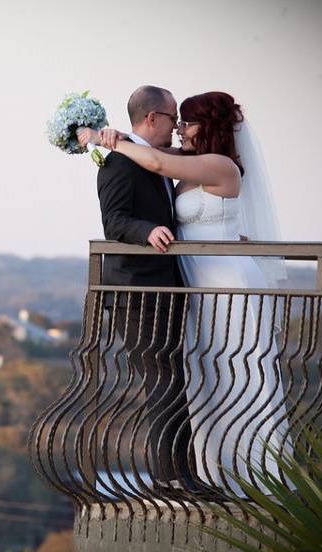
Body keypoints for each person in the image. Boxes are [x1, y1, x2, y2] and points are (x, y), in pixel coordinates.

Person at [79, 91, 291, 496]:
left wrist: (104, 137)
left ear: (206, 127)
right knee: (199, 376)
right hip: (189, 286)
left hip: (226, 283)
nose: (180, 127)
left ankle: (256, 473)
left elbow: (156, 159)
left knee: (237, 371)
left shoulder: (217, 165)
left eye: (186, 121)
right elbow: (139, 180)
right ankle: (211, 473)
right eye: (175, 119)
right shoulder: (180, 164)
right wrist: (115, 139)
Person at [85, 85, 201, 497]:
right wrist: (147, 230)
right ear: (152, 118)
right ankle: (172, 479)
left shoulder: (149, 156)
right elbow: (113, 221)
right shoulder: (117, 161)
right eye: (172, 118)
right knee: (162, 382)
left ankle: (180, 475)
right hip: (135, 290)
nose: (176, 127)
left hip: (164, 287)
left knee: (171, 379)